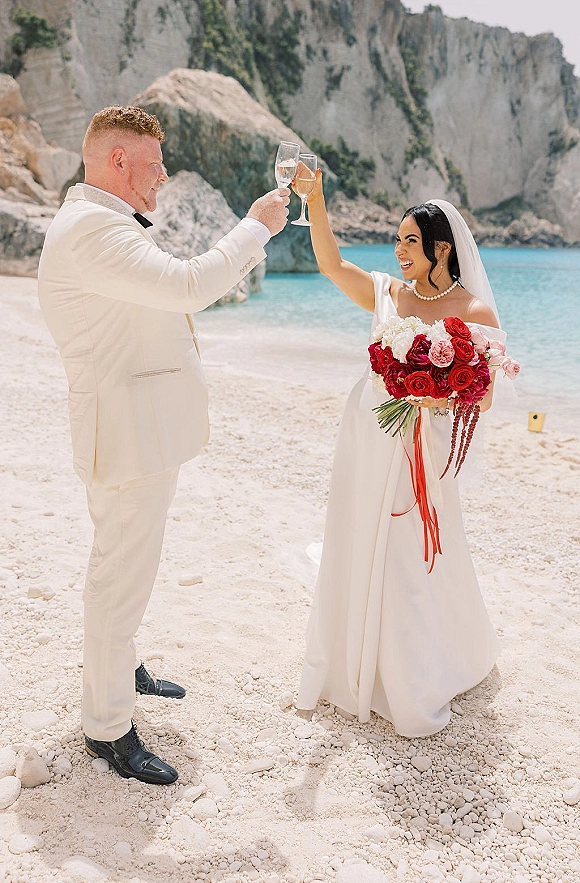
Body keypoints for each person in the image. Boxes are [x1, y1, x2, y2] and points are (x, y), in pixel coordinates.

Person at [38, 105, 290, 783]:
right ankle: (108, 727)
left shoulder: (103, 224)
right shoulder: (92, 230)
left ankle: (119, 665)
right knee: (119, 574)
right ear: (118, 160)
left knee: (125, 562)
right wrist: (256, 226)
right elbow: (191, 285)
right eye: (155, 161)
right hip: (126, 434)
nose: (165, 173)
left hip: (132, 426)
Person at [296, 168, 505, 737]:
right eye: (396, 240)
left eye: (410, 240)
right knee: (365, 536)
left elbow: (482, 402)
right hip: (369, 436)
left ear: (442, 248)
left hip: (427, 447)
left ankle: (417, 669)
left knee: (417, 548)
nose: (399, 250)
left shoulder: (475, 312)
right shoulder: (389, 293)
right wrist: (316, 203)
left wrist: (434, 389)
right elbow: (332, 266)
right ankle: (355, 656)